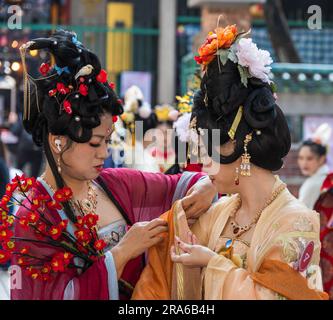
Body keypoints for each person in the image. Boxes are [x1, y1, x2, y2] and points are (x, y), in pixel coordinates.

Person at [9, 30, 217, 300]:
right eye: (96, 143)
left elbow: (182, 185)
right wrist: (122, 253)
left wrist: (207, 187)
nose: (104, 153)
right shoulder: (34, 216)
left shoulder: (115, 184)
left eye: (108, 141)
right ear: (58, 141)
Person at [133, 25, 327, 300]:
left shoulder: (296, 221)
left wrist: (211, 263)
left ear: (236, 145)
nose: (201, 162)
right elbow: (163, 268)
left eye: (206, 150)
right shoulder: (217, 212)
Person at [298, 123, 331, 209]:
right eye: (301, 158)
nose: (304, 163)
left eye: (309, 158)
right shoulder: (327, 178)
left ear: (321, 159)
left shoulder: (313, 184)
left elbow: (301, 215)